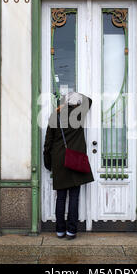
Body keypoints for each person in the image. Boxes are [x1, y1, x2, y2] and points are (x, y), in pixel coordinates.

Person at [43, 92, 94, 240]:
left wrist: (48, 163)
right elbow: (89, 100)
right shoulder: (79, 113)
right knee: (74, 197)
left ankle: (59, 230)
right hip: (75, 160)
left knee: (61, 197)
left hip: (59, 161)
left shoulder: (55, 116)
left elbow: (48, 143)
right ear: (77, 103)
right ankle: (71, 231)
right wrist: (75, 96)